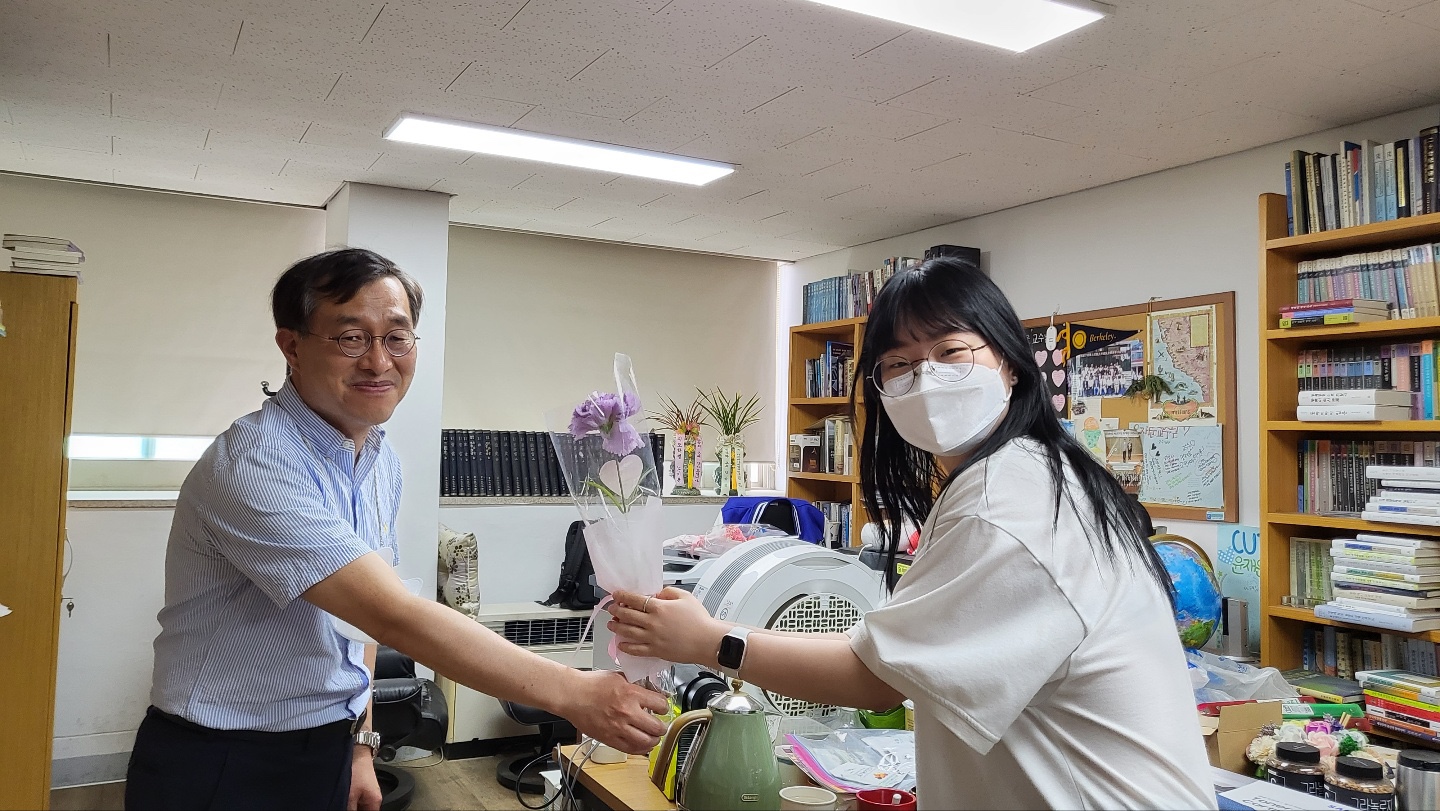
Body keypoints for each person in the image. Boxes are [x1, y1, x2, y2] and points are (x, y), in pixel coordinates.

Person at [609, 257, 1215, 810]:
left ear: (1009, 362)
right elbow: (890, 656)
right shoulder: (1029, 474)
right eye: (899, 364)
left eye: (951, 351)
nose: (925, 380)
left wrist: (710, 641)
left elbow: (875, 678)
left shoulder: (1006, 501)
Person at [126, 249, 666, 811]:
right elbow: (391, 614)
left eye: (397, 337)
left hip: (326, 745)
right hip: (223, 759)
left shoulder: (380, 462)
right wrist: (574, 691)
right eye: (351, 338)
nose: (379, 361)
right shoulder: (254, 463)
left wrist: (360, 746)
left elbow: (359, 624)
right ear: (292, 346)